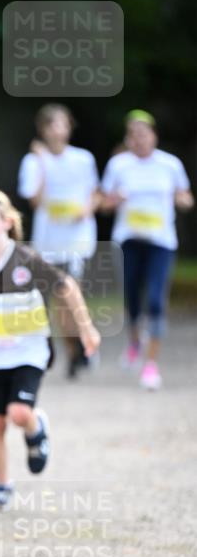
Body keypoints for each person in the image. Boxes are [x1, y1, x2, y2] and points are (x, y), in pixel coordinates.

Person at [0, 188, 100, 511]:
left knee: (19, 413)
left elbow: (67, 287)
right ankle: (1, 484)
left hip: (30, 352)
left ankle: (36, 428)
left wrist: (86, 328)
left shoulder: (26, 259)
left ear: (7, 221)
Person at [100, 110, 193, 390]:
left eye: (144, 134)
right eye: (134, 135)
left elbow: (186, 196)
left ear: (154, 136)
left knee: (155, 299)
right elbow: (103, 203)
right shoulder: (119, 165)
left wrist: (182, 200)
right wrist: (115, 200)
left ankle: (151, 364)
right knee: (132, 297)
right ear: (128, 139)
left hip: (161, 241)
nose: (140, 140)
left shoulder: (170, 164)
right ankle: (134, 341)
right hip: (128, 239)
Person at [17, 104, 100, 378]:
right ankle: (74, 348)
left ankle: (81, 344)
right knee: (59, 298)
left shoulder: (83, 159)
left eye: (62, 124)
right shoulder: (32, 162)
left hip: (78, 239)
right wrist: (42, 161)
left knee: (71, 293)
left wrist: (86, 210)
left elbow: (95, 193)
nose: (57, 130)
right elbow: (35, 199)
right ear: (42, 129)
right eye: (51, 124)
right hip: (48, 241)